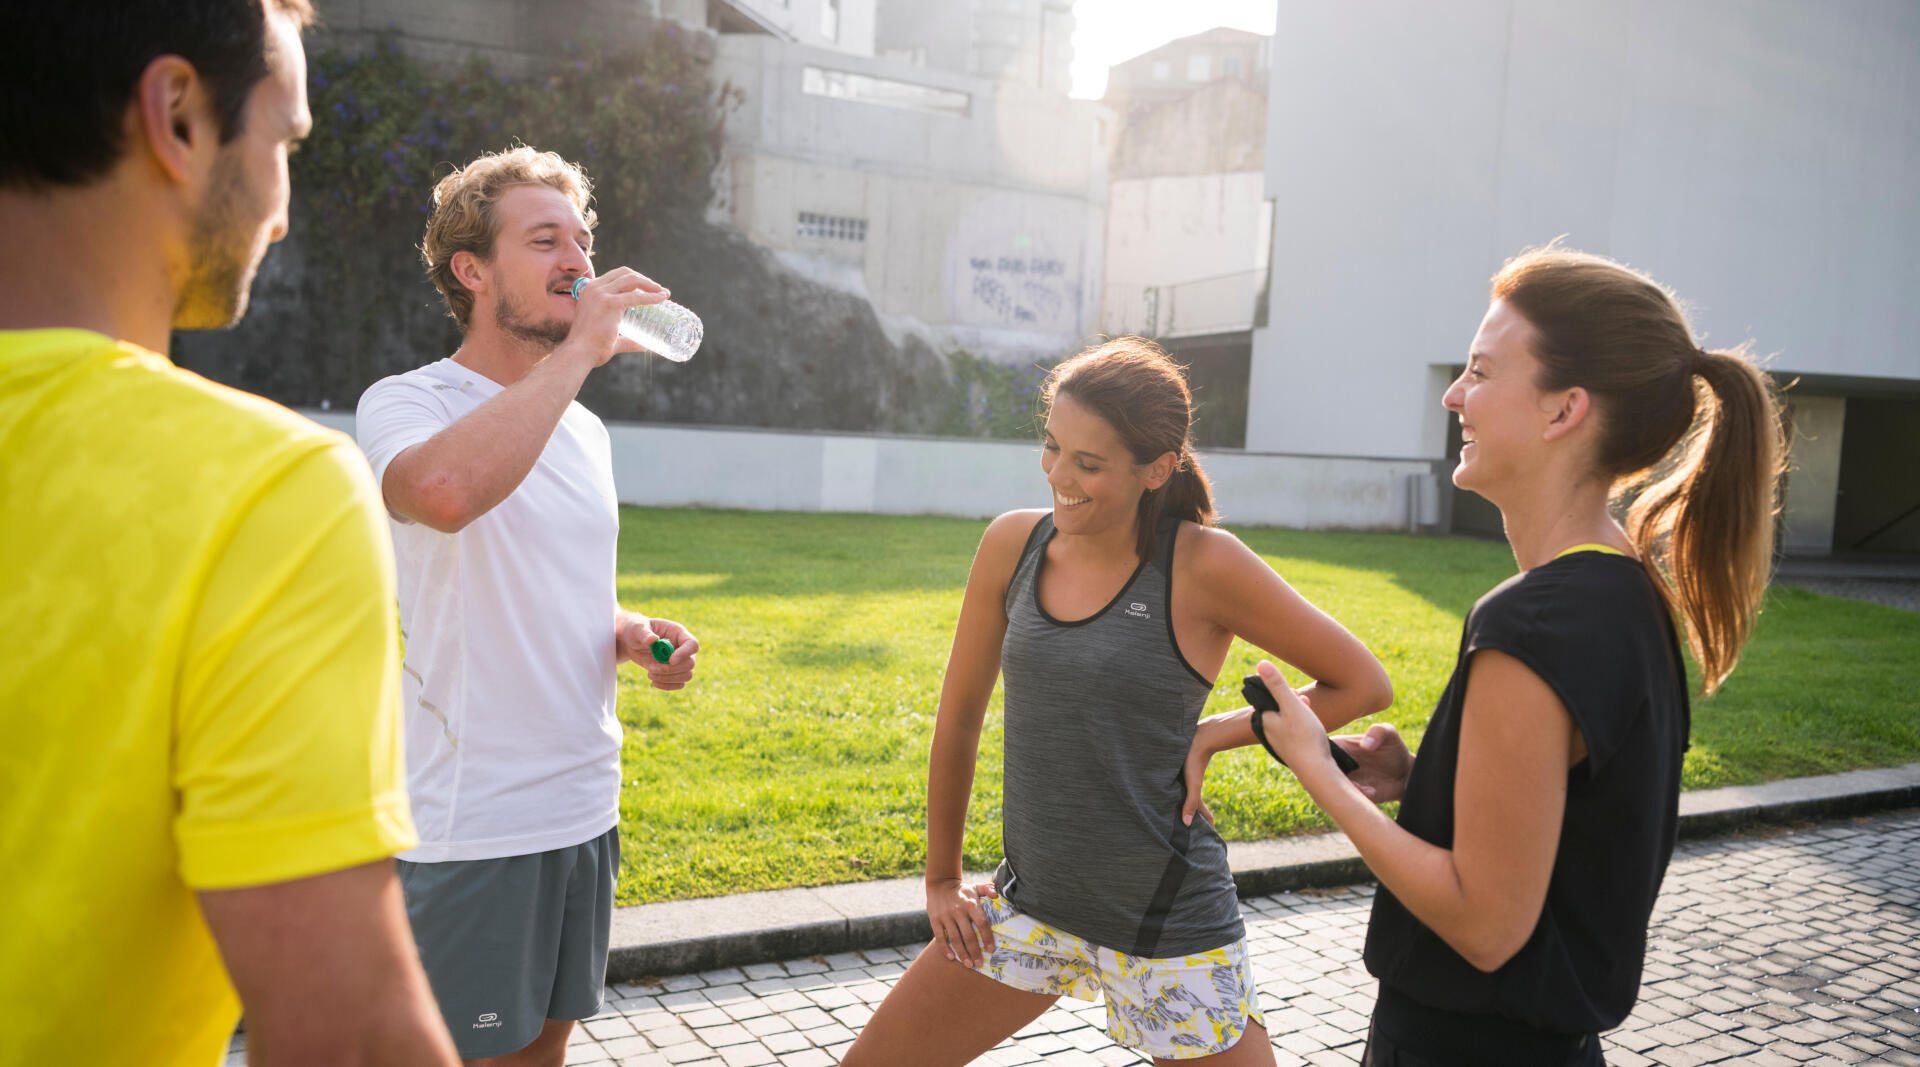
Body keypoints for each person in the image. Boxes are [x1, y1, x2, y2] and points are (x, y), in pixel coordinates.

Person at [0, 2, 460, 1064]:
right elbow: (348, 1037)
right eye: (283, 141)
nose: (283, 208)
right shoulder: (267, 497)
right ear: (175, 116)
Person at [1245, 247, 1786, 1066]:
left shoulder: (1532, 624)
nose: (1453, 394)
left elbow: (1487, 926)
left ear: (1563, 409)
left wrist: (1316, 771)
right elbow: (1570, 817)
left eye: (1480, 371)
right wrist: (1420, 780)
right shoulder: (1627, 591)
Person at [844, 338, 1394, 1066]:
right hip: (1029, 910)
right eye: (1052, 448)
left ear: (1156, 469)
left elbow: (1362, 683)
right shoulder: (1013, 544)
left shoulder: (1204, 564)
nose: (1059, 477)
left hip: (1167, 926)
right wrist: (942, 879)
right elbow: (960, 717)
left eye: (1088, 463)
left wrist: (1217, 733)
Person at [355, 146, 701, 1066]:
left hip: (584, 807)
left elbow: (557, 579)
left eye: (584, 240)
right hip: (476, 827)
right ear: (471, 269)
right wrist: (585, 349)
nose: (579, 263)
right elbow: (445, 493)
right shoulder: (407, 401)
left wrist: (627, 632)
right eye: (544, 240)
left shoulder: (580, 425)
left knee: (543, 1055)